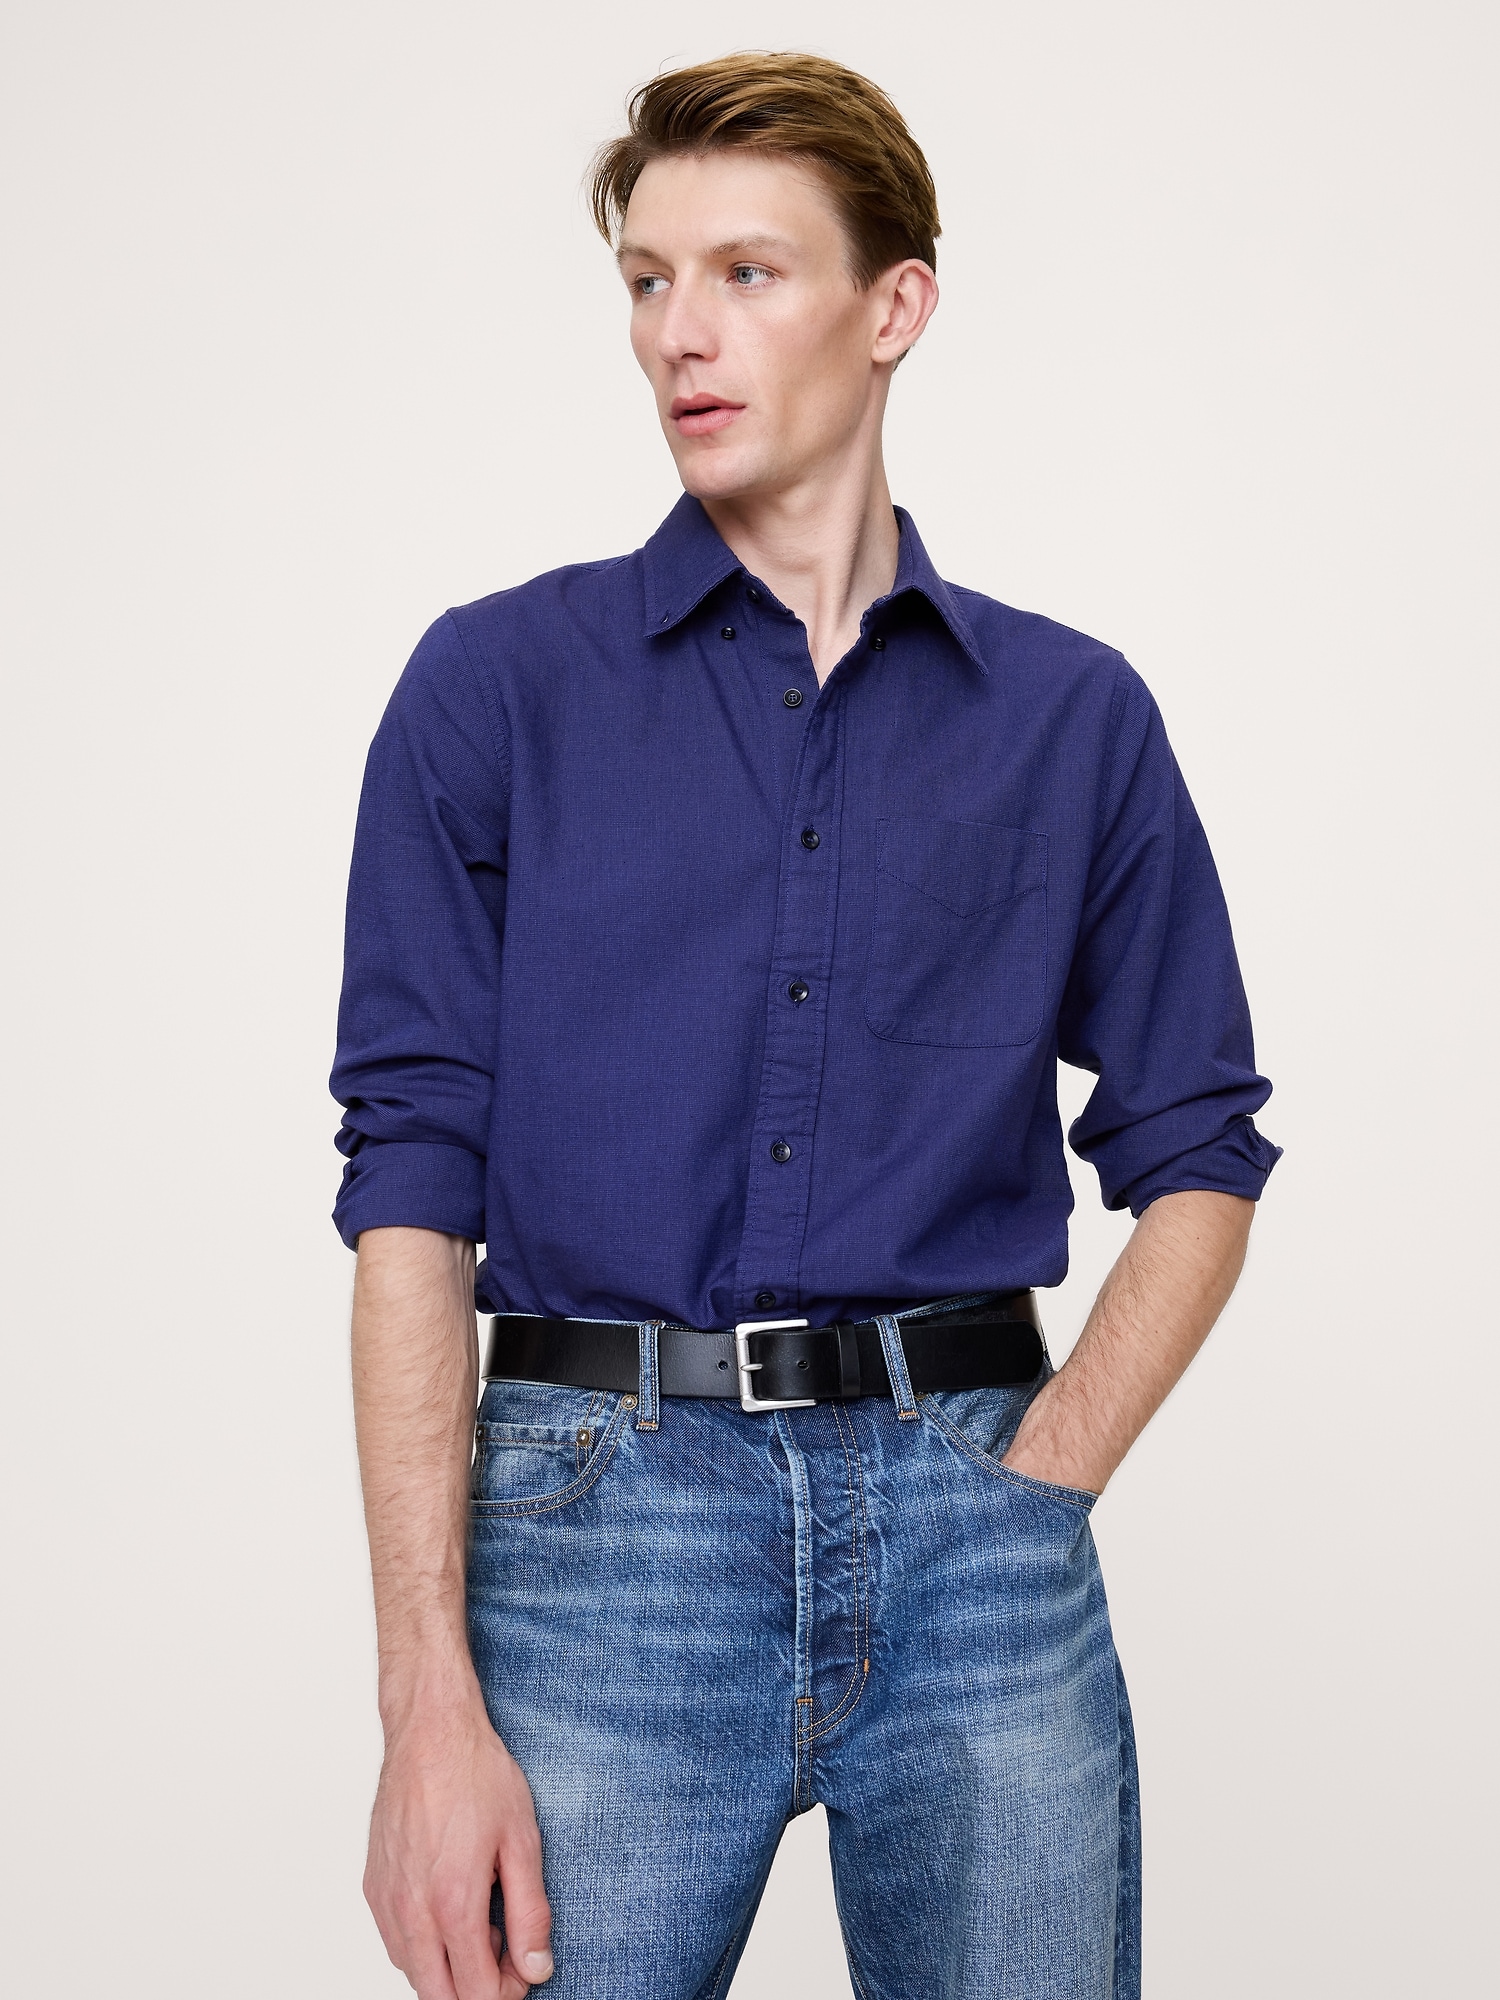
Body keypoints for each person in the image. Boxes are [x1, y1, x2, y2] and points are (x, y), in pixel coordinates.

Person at [331, 50, 1279, 2000]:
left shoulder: (1071, 720)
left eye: (746, 274)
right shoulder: (496, 688)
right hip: (599, 1531)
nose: (677, 333)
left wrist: (1042, 1479)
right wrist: (425, 1705)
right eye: (647, 280)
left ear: (894, 304)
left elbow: (1200, 1148)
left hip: (973, 1523)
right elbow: (410, 1187)